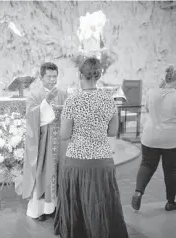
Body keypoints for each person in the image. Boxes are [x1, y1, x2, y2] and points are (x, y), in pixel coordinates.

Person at [54, 57, 128, 238]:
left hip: (77, 161)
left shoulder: (72, 101)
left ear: (80, 74)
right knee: (102, 204)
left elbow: (64, 135)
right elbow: (112, 131)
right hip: (102, 161)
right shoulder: (108, 99)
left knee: (77, 205)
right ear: (99, 75)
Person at [22, 62, 68, 221]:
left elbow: (68, 113)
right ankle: (39, 209)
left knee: (58, 173)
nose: (52, 80)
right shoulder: (33, 95)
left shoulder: (63, 93)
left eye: (55, 76)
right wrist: (46, 102)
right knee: (43, 172)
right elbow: (30, 117)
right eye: (49, 76)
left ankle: (54, 207)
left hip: (59, 141)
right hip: (42, 142)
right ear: (41, 77)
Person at [132, 66, 176, 212]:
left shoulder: (152, 92)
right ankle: (170, 202)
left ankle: (138, 192)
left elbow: (148, 110)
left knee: (147, 164)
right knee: (171, 170)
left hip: (150, 136)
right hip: (171, 138)